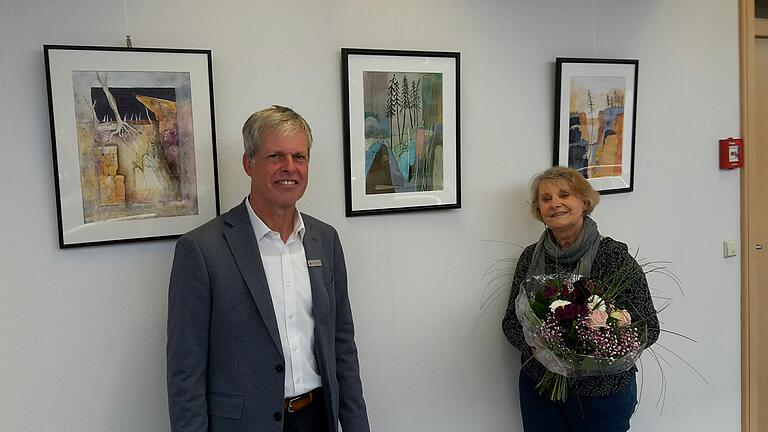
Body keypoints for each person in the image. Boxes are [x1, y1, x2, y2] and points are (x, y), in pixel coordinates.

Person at [167, 106, 370, 432]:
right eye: (275, 156)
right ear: (249, 163)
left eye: (299, 157)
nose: (289, 168)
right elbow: (185, 372)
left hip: (318, 419)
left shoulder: (325, 240)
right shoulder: (202, 250)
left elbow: (343, 348)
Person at [502, 166, 659, 432]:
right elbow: (510, 323)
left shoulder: (613, 257)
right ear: (539, 210)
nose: (555, 203)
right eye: (546, 198)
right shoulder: (530, 258)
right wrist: (535, 346)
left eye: (564, 194)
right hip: (540, 388)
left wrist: (592, 345)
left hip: (601, 395)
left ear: (584, 202)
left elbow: (649, 327)